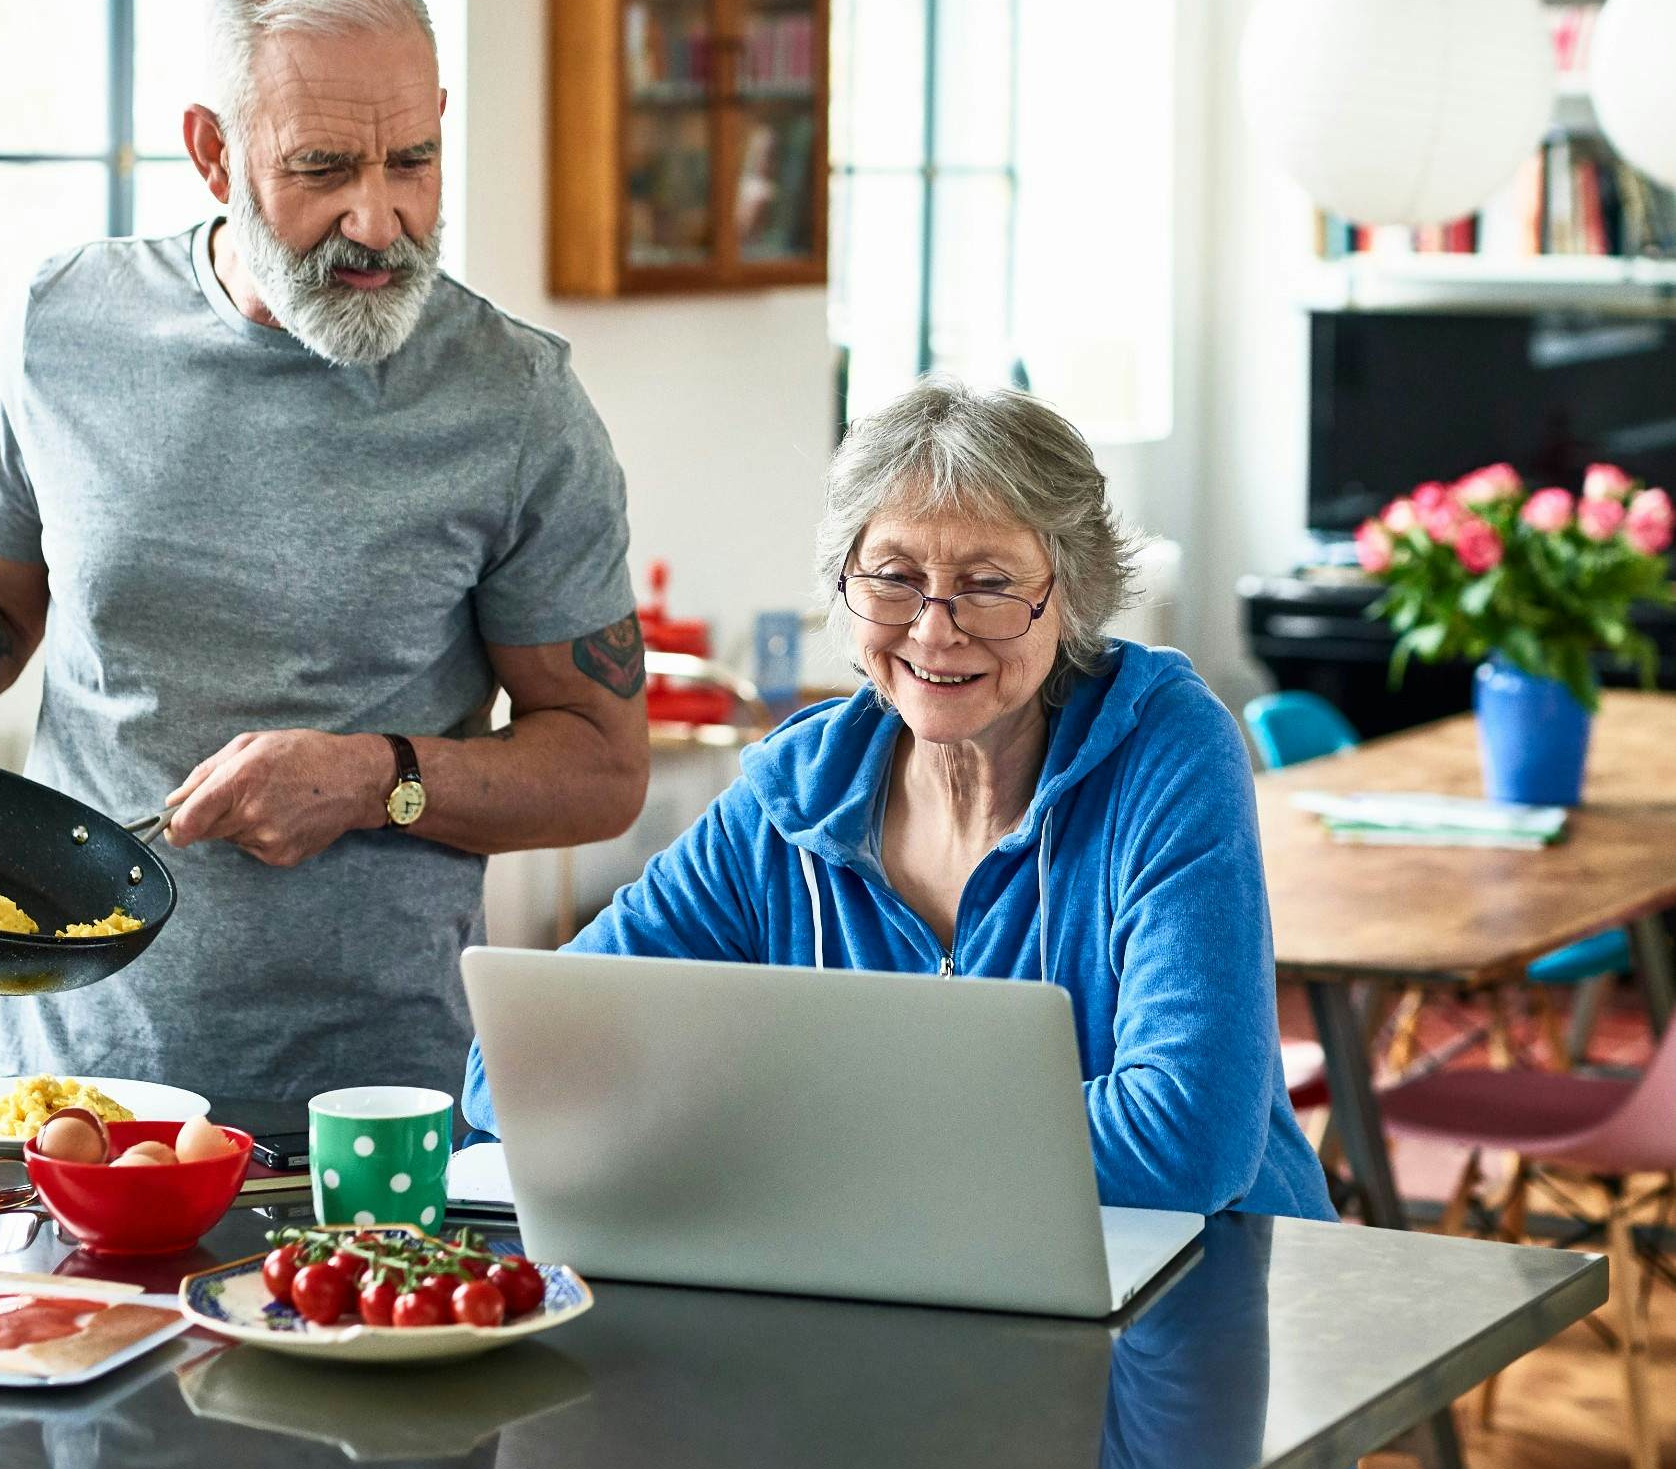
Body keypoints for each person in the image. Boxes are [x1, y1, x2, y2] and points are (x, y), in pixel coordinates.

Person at [0, 0, 647, 1101]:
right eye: (322, 168)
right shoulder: (67, 323)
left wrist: (373, 777)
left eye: (414, 161)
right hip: (62, 1083)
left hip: (369, 1106)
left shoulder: (517, 403)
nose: (377, 218)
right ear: (211, 152)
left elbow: (601, 767)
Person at [464, 377, 1333, 1223]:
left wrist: (796, 1130)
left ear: (1072, 595)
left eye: (990, 583)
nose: (933, 627)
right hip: (907, 1286)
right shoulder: (793, 797)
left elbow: (1189, 1138)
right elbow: (513, 1067)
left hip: (1196, 1294)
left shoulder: (1165, 750)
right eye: (893, 575)